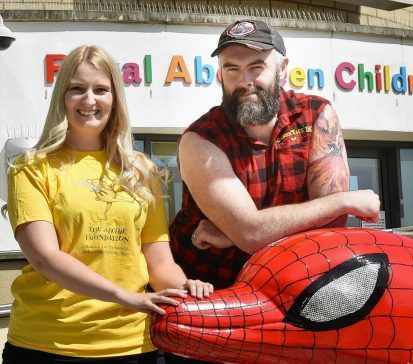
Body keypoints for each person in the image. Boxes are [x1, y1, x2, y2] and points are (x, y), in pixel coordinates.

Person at [1, 45, 213, 363]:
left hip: (135, 345)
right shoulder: (31, 168)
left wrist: (185, 286)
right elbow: (45, 258)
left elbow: (159, 264)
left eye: (101, 89)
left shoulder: (142, 171)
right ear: (61, 97)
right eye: (77, 89)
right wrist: (124, 296)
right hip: (48, 345)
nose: (89, 100)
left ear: (114, 99)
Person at [170, 19, 380, 290]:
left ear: (282, 68)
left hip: (293, 289)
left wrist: (234, 234)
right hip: (210, 295)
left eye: (257, 67)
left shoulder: (316, 115)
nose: (245, 82)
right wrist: (342, 201)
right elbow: (251, 233)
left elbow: (329, 230)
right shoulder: (200, 140)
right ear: (220, 75)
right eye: (232, 69)